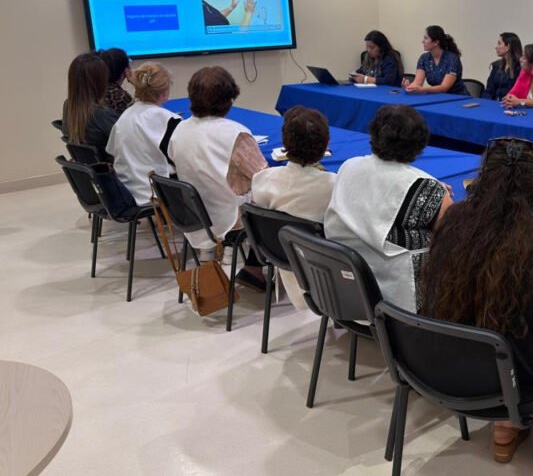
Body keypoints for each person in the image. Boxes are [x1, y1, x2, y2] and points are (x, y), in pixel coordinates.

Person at [421, 137, 533, 476]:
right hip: (523, 373)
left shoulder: (453, 221)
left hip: (449, 368)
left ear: (482, 177)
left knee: (495, 324)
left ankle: (503, 433)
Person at [324, 105, 452, 311]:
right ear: (419, 143)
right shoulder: (428, 189)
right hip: (397, 303)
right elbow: (453, 236)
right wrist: (436, 191)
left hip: (343, 289)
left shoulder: (348, 165)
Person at [166, 66, 267, 288]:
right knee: (278, 198)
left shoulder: (179, 129)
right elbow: (263, 176)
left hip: (195, 212)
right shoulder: (235, 134)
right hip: (229, 215)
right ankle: (255, 268)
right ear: (229, 99)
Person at [251, 106, 336, 310]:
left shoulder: (262, 179)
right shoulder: (334, 185)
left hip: (279, 255)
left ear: (284, 145)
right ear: (326, 145)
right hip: (323, 269)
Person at [106, 62, 179, 204]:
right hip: (156, 193)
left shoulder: (124, 117)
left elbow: (111, 151)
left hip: (126, 192)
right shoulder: (170, 120)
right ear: (165, 93)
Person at [62, 52, 119, 161]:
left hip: (93, 169)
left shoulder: (68, 106)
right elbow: (132, 144)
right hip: (113, 169)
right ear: (100, 81)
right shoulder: (102, 115)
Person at [403, 25, 468, 95]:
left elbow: (444, 87)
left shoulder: (452, 58)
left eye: (426, 38)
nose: (423, 41)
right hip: (437, 96)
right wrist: (409, 87)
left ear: (436, 43)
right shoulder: (424, 58)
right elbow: (418, 83)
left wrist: (422, 89)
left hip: (457, 97)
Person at [482, 32, 523, 100]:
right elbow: (489, 90)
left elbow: (518, 93)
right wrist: (485, 103)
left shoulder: (520, 67)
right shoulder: (496, 66)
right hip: (493, 103)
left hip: (510, 104)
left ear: (508, 47)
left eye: (499, 43)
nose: (496, 47)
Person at [99, 48, 133, 114]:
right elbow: (139, 115)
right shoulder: (121, 97)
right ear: (125, 70)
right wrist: (137, 84)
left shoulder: (99, 90)